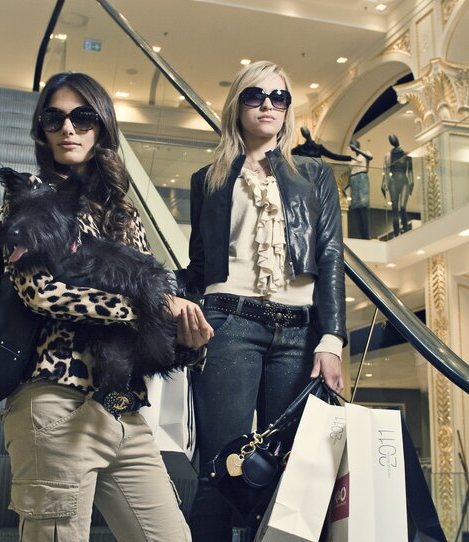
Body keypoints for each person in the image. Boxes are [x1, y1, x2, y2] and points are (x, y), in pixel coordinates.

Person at [0, 72, 212, 542]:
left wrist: (183, 337)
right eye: (54, 118)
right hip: (56, 404)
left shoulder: (123, 212)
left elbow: (146, 317)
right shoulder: (30, 196)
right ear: (42, 128)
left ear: (102, 128)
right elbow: (40, 292)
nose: (68, 129)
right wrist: (139, 308)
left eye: (83, 117)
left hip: (123, 410)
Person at [177, 61, 347, 541]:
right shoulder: (207, 178)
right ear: (238, 104)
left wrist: (331, 337)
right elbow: (200, 264)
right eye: (256, 95)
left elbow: (331, 257)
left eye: (279, 97)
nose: (269, 104)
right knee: (220, 466)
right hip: (228, 324)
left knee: (289, 476)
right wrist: (165, 297)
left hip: (298, 332)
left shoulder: (314, 175)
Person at [383, 134, 414, 236]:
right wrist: (384, 183)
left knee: (402, 207)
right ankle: (396, 233)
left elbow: (410, 171)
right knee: (395, 208)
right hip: (393, 182)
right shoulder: (388, 156)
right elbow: (386, 170)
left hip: (404, 181)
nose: (393, 141)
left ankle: (405, 230)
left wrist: (412, 182)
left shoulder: (406, 154)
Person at [346, 139, 373, 239]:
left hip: (362, 178)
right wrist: (345, 187)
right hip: (354, 181)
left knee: (363, 206)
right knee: (356, 208)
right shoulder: (352, 159)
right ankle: (362, 235)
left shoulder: (365, 153)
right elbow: (350, 174)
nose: (352, 146)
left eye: (353, 145)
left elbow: (370, 157)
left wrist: (358, 149)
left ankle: (366, 235)